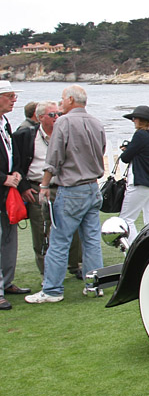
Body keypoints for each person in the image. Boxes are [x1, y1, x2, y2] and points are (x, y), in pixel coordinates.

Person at [26, 85, 106, 304]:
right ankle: (94, 285)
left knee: (59, 240)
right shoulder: (97, 123)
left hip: (72, 189)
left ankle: (52, 290)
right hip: (92, 186)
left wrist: (43, 185)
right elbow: (102, 151)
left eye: (62, 100)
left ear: (71, 100)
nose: (60, 104)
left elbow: (53, 158)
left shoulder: (64, 122)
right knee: (91, 240)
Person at [15, 101, 82, 279]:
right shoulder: (25, 136)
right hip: (36, 187)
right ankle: (47, 271)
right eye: (52, 115)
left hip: (64, 186)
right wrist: (23, 187)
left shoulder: (65, 133)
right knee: (40, 230)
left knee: (72, 226)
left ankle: (75, 265)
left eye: (58, 114)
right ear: (40, 117)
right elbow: (17, 164)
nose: (56, 118)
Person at [118, 105, 149, 246]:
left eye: (134, 119)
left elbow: (125, 158)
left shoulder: (140, 135)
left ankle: (133, 248)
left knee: (126, 219)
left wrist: (127, 149)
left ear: (139, 120)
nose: (133, 121)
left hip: (141, 182)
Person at [0, 81, 23, 310]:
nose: (14, 100)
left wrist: (16, 172)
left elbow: (11, 151)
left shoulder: (4, 123)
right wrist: (3, 178)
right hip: (3, 187)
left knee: (9, 239)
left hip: (8, 192)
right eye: (10, 96)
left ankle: (6, 282)